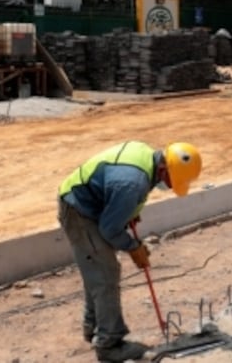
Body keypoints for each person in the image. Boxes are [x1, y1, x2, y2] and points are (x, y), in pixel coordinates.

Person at [57, 141, 203, 362]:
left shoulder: (147, 160)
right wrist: (134, 247)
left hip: (86, 201)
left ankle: (94, 327)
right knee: (105, 274)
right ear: (164, 169)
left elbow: (116, 193)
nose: (172, 187)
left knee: (96, 271)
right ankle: (110, 345)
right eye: (173, 181)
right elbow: (110, 228)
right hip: (79, 211)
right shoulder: (132, 184)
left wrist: (127, 212)